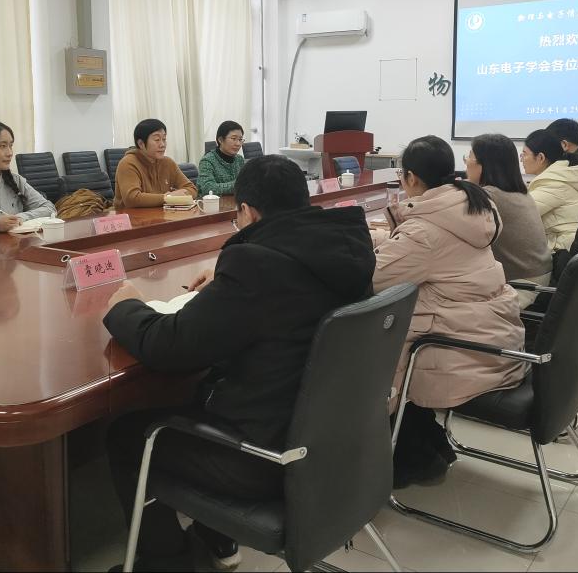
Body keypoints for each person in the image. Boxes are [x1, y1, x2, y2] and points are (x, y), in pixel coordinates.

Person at [103, 155, 375, 571]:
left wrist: (126, 306)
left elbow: (167, 346)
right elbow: (287, 299)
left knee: (126, 434)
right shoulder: (346, 248)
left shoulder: (257, 267)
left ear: (247, 210)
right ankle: (217, 537)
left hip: (261, 456)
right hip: (331, 441)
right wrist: (226, 285)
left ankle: (166, 560)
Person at [371, 135, 524, 488]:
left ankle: (409, 457)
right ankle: (428, 444)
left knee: (368, 348)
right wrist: (387, 240)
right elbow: (422, 252)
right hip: (492, 337)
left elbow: (373, 277)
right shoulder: (470, 208)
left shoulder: (425, 231)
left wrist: (366, 247)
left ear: (410, 178)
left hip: (457, 350)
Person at [465, 133, 552, 308]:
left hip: (520, 285)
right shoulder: (519, 191)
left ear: (484, 165)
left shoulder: (488, 196)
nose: (466, 162)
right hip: (539, 275)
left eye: (469, 157)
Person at [522, 129, 578, 251]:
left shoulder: (554, 184)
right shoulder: (565, 175)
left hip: (563, 250)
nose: (521, 160)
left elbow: (520, 214)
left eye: (524, 154)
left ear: (540, 157)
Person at [114, 119, 197, 209]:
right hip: (132, 216)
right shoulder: (128, 163)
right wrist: (169, 197)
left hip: (162, 215)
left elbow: (192, 189)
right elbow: (132, 198)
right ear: (141, 144)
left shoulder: (168, 163)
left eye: (164, 139)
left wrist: (178, 195)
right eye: (157, 140)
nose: (162, 144)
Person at [196, 120, 246, 196]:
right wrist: (238, 185)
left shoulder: (239, 159)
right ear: (220, 140)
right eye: (233, 139)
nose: (238, 144)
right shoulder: (207, 161)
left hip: (236, 201)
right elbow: (208, 188)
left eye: (240, 139)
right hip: (213, 203)